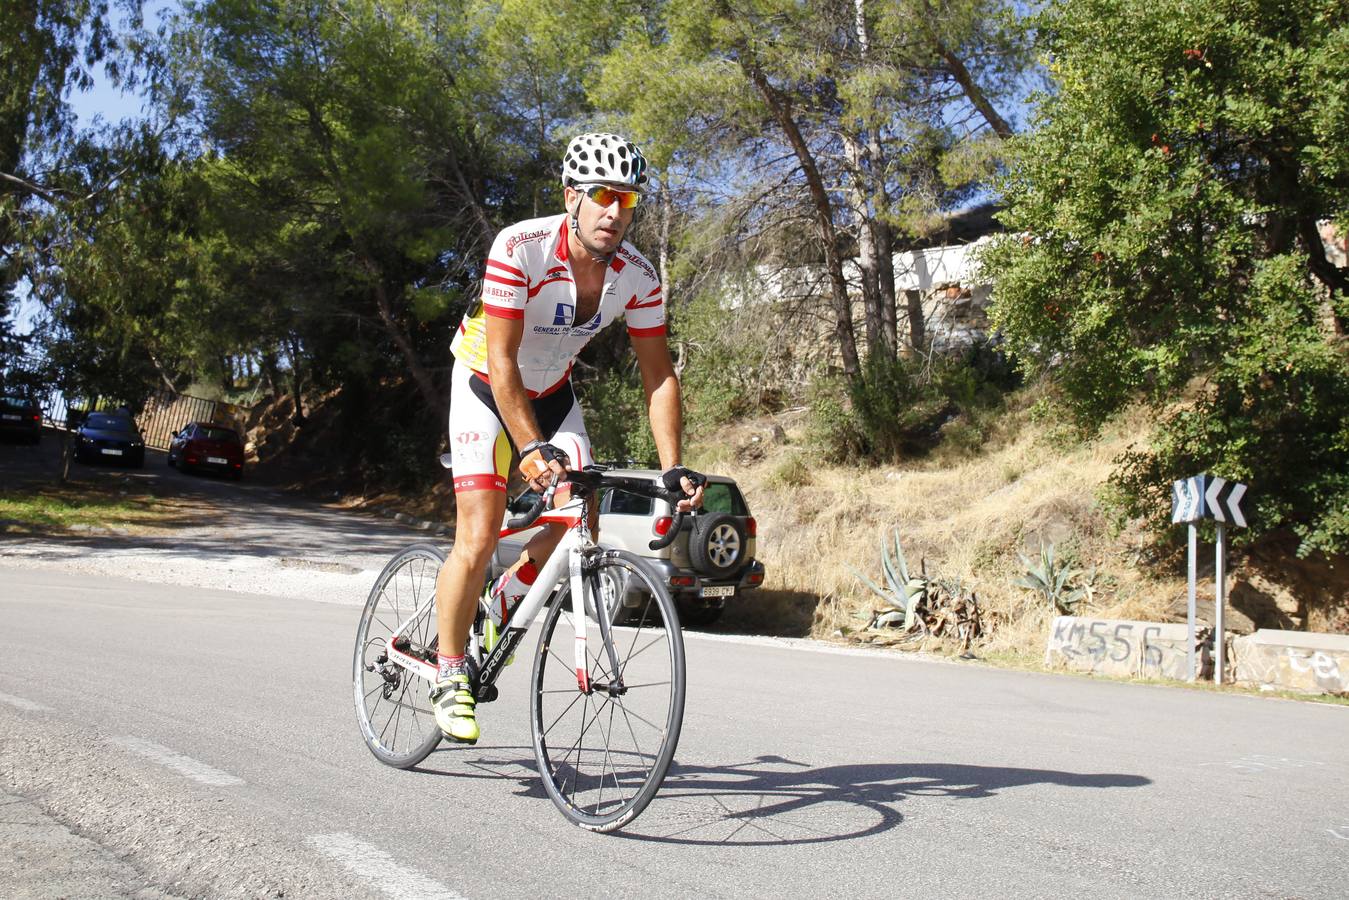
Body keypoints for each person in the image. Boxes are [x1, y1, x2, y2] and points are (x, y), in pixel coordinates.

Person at [433, 132, 705, 743]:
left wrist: (672, 466)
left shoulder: (637, 276)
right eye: (603, 195)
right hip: (483, 385)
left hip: (552, 392)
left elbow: (658, 375)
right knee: (478, 534)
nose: (615, 211)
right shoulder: (520, 247)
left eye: (628, 200)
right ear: (571, 197)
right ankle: (450, 671)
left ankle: (503, 603)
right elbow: (501, 363)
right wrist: (529, 449)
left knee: (580, 522)